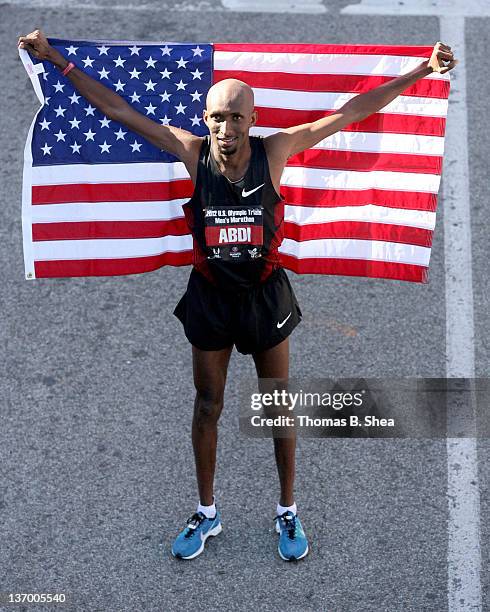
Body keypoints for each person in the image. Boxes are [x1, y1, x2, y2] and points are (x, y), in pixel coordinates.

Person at [17, 30, 456, 561]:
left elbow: (349, 113)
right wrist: (57, 61)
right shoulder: (190, 151)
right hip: (210, 300)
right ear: (206, 119)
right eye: (218, 117)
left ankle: (287, 512)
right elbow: (117, 108)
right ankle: (207, 514)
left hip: (264, 299)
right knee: (208, 405)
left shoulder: (277, 151)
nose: (227, 128)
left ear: (253, 119)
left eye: (237, 117)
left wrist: (420, 72)